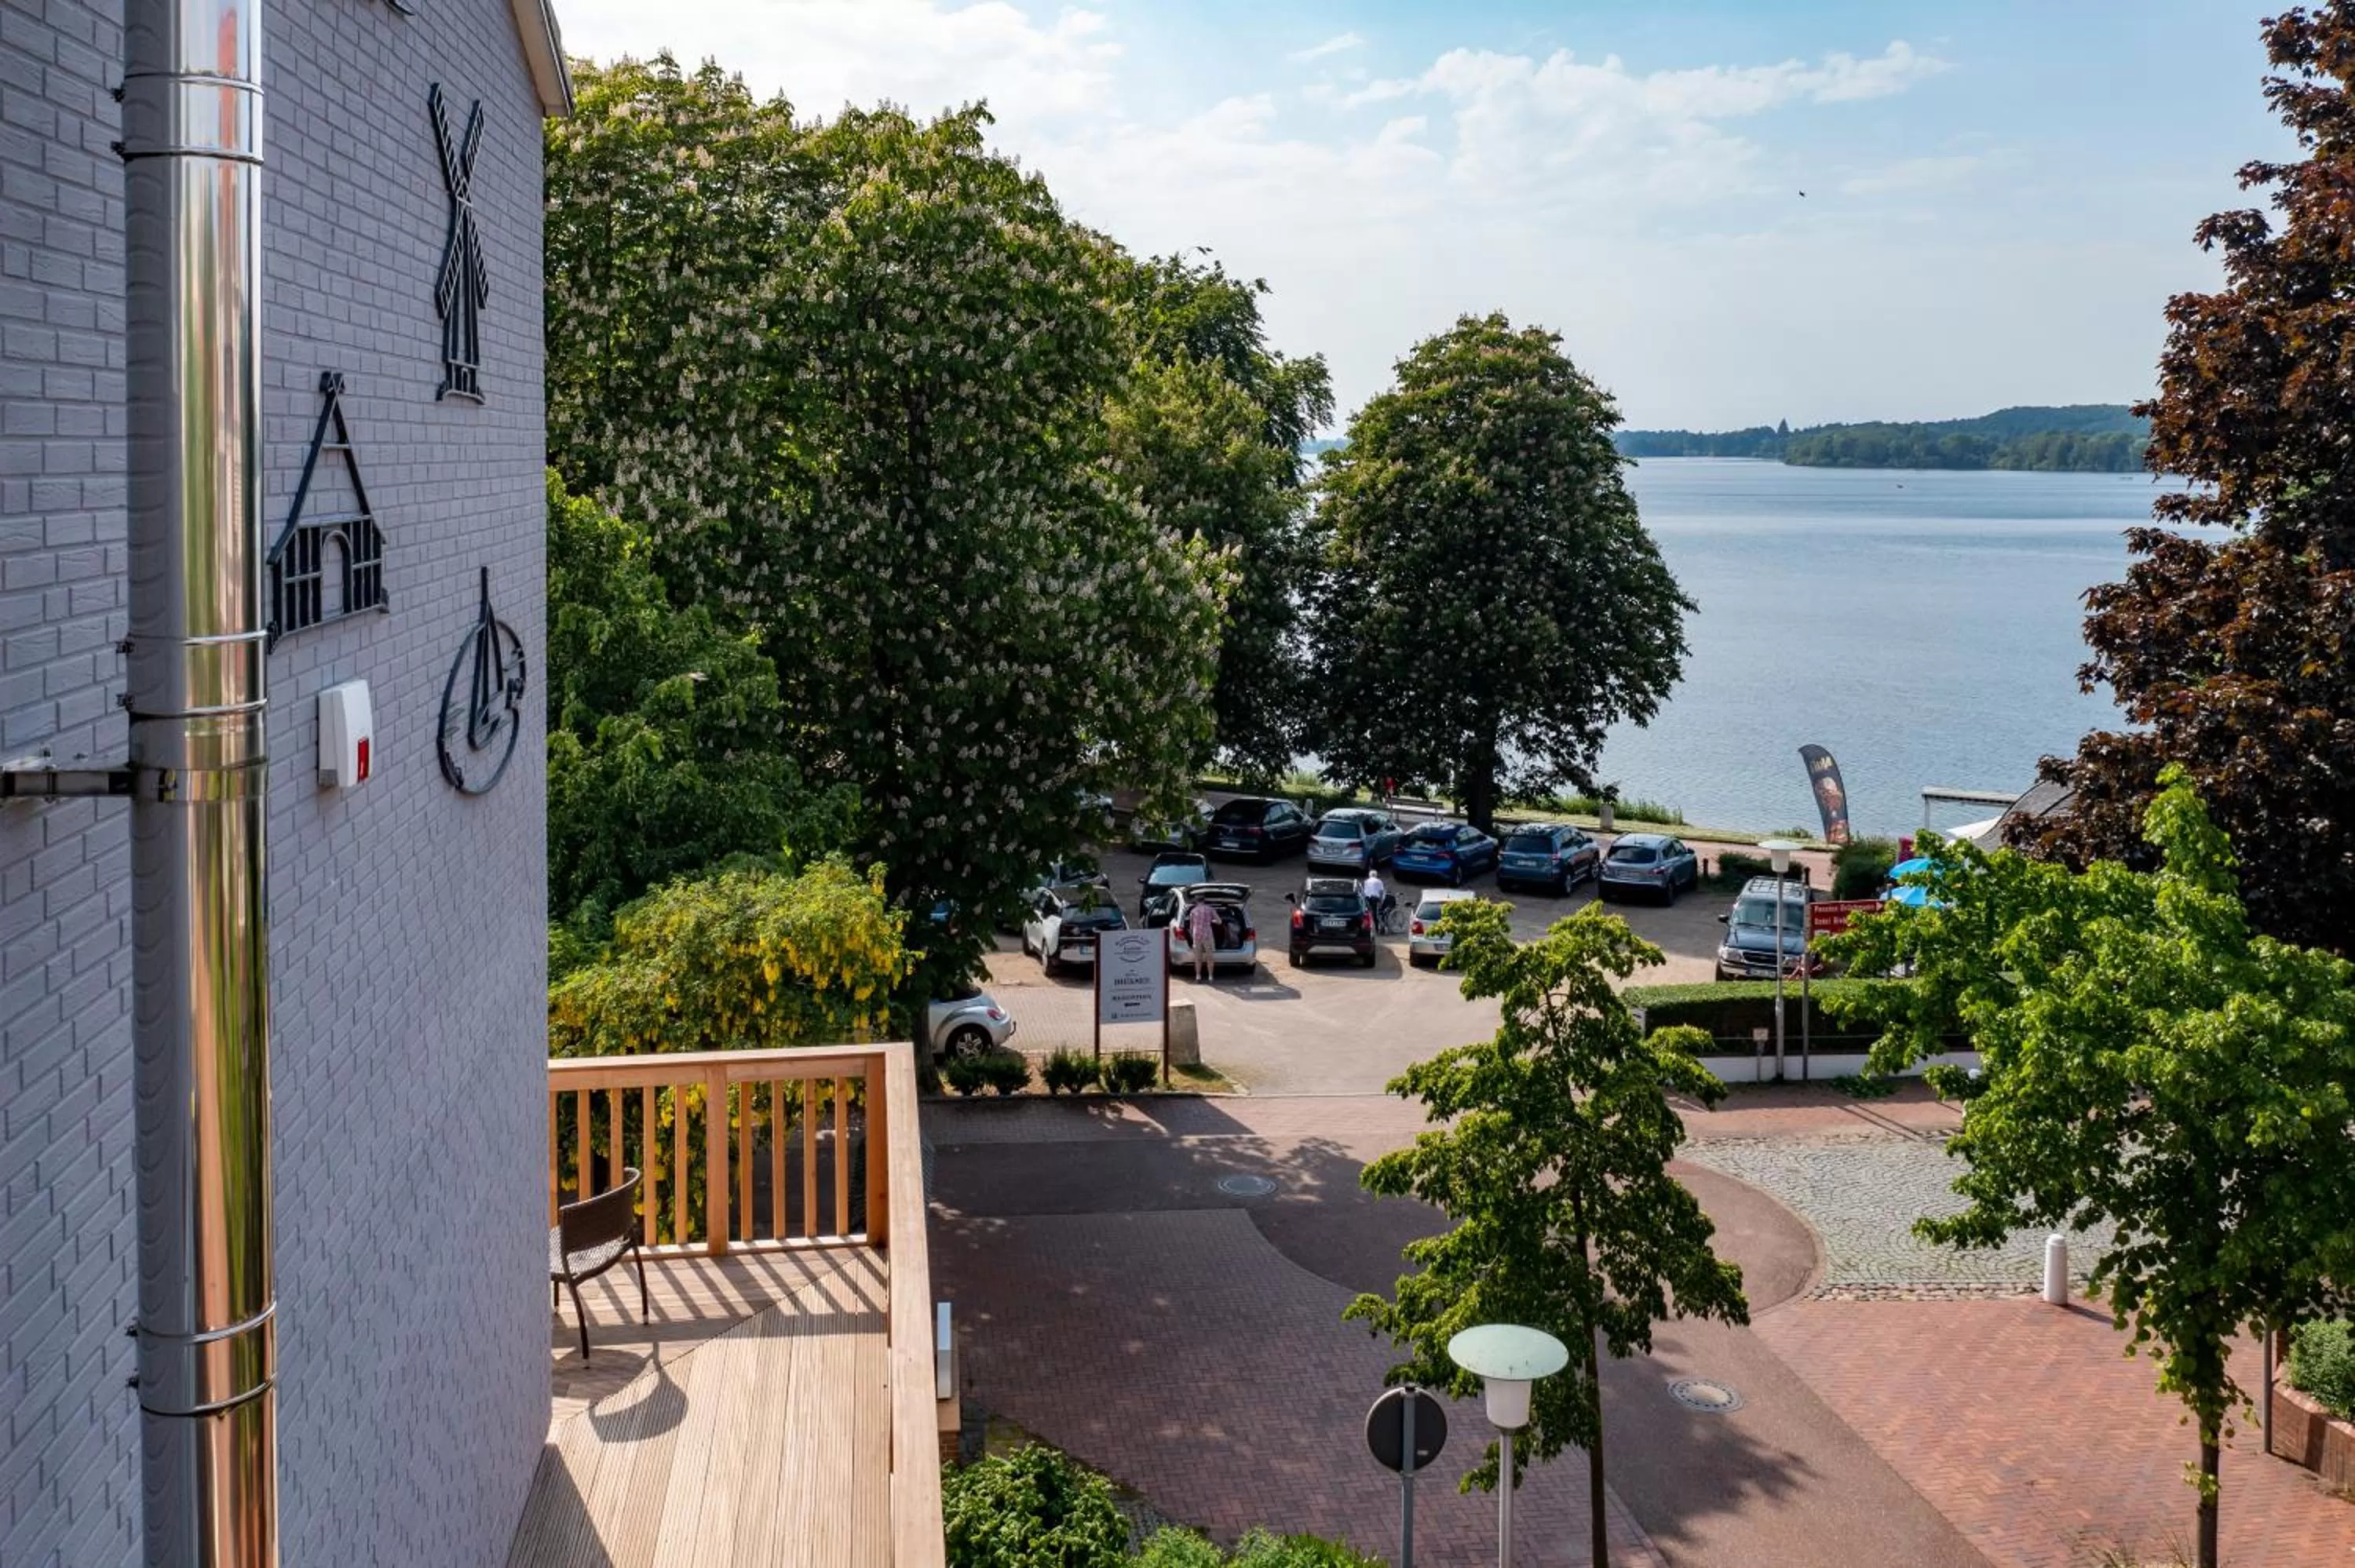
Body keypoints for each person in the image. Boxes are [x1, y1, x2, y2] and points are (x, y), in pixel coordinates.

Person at [1185, 895, 1221, 984]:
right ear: (1204, 901)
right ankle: (1210, 977)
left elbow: (1191, 927)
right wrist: (1212, 921)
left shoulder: (1193, 911)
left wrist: (1192, 938)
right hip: (1207, 935)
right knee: (1210, 957)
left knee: (1198, 958)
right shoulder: (1210, 909)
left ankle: (1198, 976)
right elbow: (1219, 922)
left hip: (1197, 935)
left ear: (1196, 902)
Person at [1360, 868, 1391, 932]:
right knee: (1375, 913)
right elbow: (1381, 892)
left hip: (1367, 898)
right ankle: (1377, 928)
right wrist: (1381, 901)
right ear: (1376, 875)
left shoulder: (1366, 881)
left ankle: (1367, 926)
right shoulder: (1379, 881)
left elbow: (1365, 892)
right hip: (1374, 898)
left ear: (1370, 875)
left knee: (1368, 912)